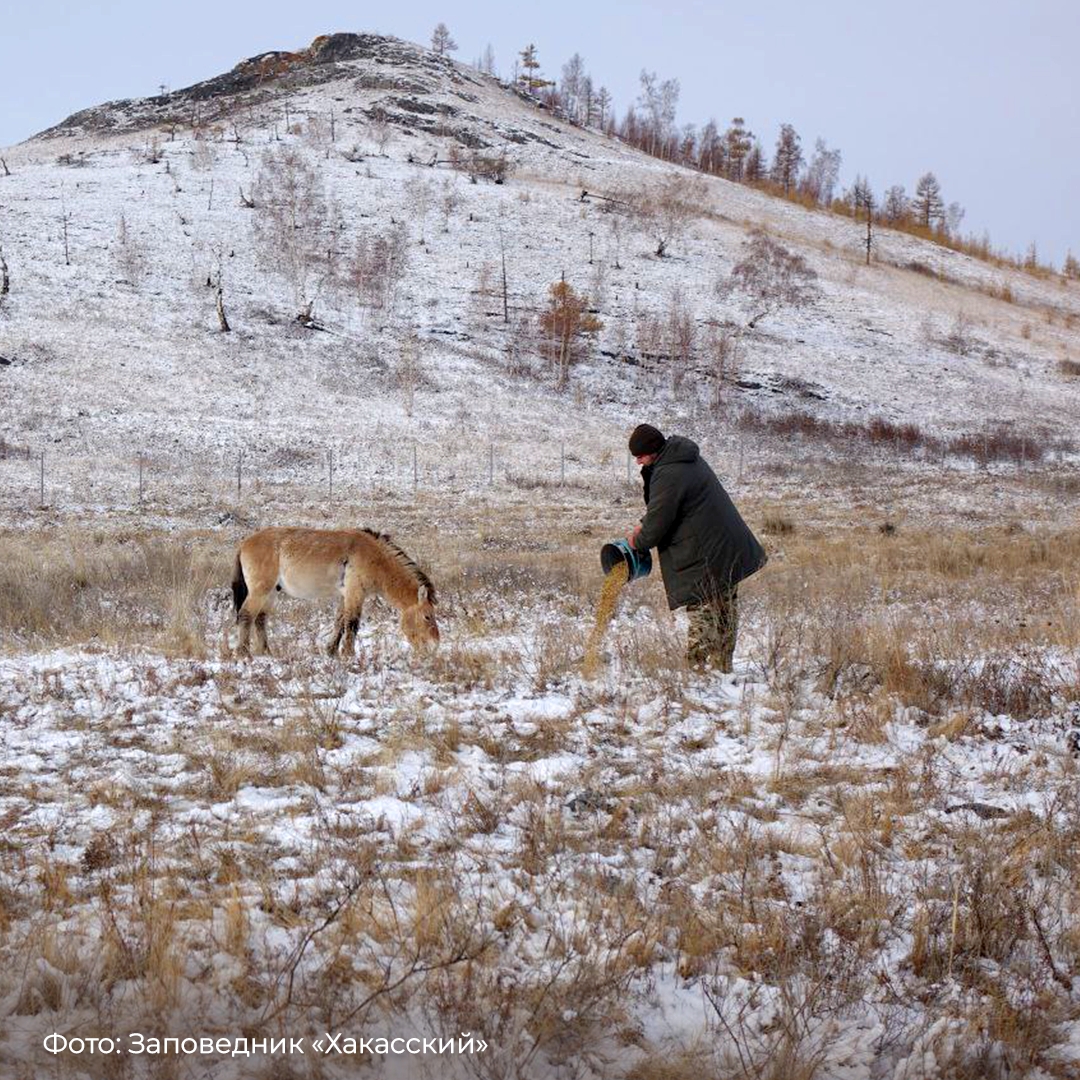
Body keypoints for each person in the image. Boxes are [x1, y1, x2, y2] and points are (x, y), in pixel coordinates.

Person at [627, 423, 766, 672]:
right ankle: (721, 668)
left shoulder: (669, 472)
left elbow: (657, 524)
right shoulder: (682, 458)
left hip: (705, 554)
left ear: (653, 451)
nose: (638, 462)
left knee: (704, 612)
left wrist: (638, 540)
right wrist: (644, 524)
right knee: (724, 610)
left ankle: (697, 673)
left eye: (640, 456)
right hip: (723, 547)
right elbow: (670, 507)